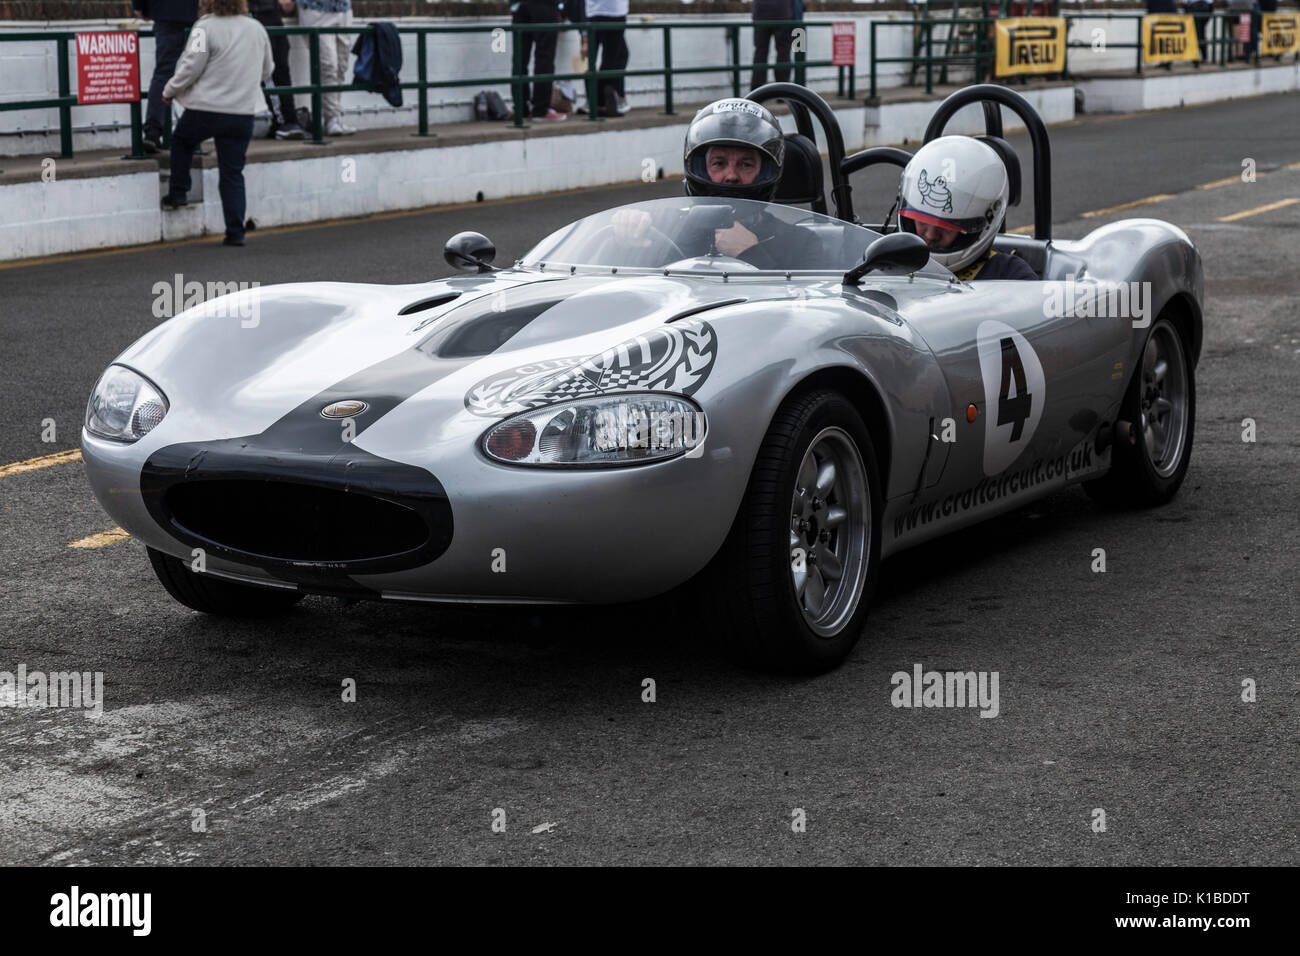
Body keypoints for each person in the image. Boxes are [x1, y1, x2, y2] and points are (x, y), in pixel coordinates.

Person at [160, 0, 273, 247]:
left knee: (181, 141)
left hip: (206, 109)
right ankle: (235, 232)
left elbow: (191, 66)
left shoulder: (204, 27)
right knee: (232, 172)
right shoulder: (256, 28)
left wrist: (169, 90)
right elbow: (267, 69)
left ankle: (178, 192)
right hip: (242, 112)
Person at [894, 136, 1039, 281]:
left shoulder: (1009, 274)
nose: (931, 235)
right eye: (922, 221)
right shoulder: (887, 260)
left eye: (946, 227)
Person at [131, 0, 198, 153]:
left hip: (166, 17)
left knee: (163, 73)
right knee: (197, 70)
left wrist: (140, 7)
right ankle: (196, 131)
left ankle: (152, 132)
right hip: (196, 19)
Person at [248, 0, 305, 139]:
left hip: (270, 15)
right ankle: (284, 121)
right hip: (255, 15)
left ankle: (286, 120)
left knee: (280, 69)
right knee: (270, 71)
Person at [296, 0, 355, 135]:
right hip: (315, 9)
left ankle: (333, 117)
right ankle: (331, 119)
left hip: (343, 9)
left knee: (341, 66)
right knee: (328, 65)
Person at [513, 0, 568, 121]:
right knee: (545, 55)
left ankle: (520, 109)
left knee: (519, 58)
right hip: (544, 5)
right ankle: (541, 110)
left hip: (519, 5)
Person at [581, 0, 630, 116]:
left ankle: (595, 99)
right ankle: (601, 101)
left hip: (593, 11)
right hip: (614, 11)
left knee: (590, 59)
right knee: (611, 59)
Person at [751, 0, 795, 90]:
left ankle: (757, 89)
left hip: (760, 13)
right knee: (783, 52)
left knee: (760, 52)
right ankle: (783, 88)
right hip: (782, 12)